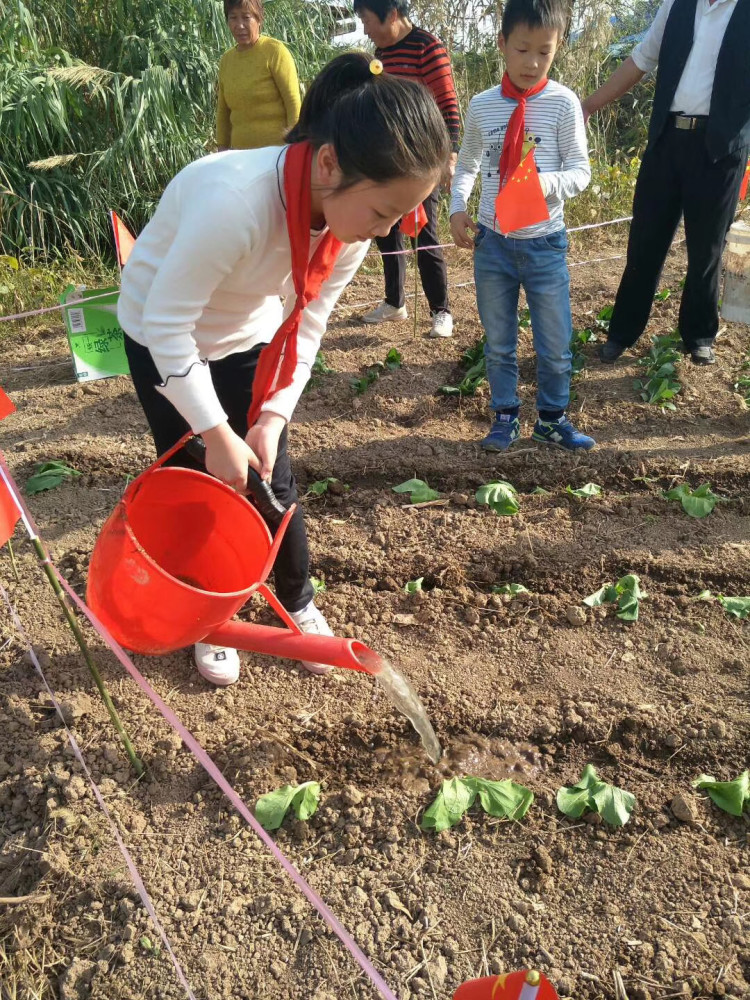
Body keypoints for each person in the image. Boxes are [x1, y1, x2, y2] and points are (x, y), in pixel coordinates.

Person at [118, 53, 450, 686]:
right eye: (383, 214)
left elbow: (308, 321)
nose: (387, 233)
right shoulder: (235, 203)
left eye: (398, 218)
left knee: (273, 477)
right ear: (328, 164)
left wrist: (270, 417)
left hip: (246, 332)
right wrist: (216, 435)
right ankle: (212, 617)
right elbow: (166, 325)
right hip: (158, 330)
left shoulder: (349, 231)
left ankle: (296, 600)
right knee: (198, 477)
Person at [450, 0, 594, 452]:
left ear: (557, 50)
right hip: (493, 245)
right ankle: (505, 417)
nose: (532, 62)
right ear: (502, 45)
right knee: (499, 342)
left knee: (555, 344)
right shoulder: (482, 106)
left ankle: (552, 418)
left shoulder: (563, 104)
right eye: (522, 49)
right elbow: (468, 164)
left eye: (544, 52)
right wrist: (457, 208)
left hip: (544, 244)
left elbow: (580, 170)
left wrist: (540, 183)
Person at [583, 0, 750, 367]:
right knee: (645, 241)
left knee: (706, 249)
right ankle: (622, 332)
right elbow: (641, 60)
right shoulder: (676, 5)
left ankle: (699, 334)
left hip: (720, 149)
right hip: (666, 139)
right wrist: (588, 105)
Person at [354, 0, 459, 338]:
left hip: (422, 160)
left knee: (424, 236)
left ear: (392, 15)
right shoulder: (380, 54)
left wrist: (449, 156)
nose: (366, 28)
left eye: (367, 20)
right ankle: (395, 302)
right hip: (388, 159)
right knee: (386, 232)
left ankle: (440, 311)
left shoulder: (428, 48)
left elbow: (448, 105)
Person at [216, 0, 301, 150]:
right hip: (240, 159)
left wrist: (295, 148)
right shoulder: (226, 61)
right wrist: (221, 150)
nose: (239, 25)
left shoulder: (275, 52)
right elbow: (223, 112)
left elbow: (293, 102)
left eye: (246, 17)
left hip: (276, 156)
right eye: (233, 17)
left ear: (259, 19)